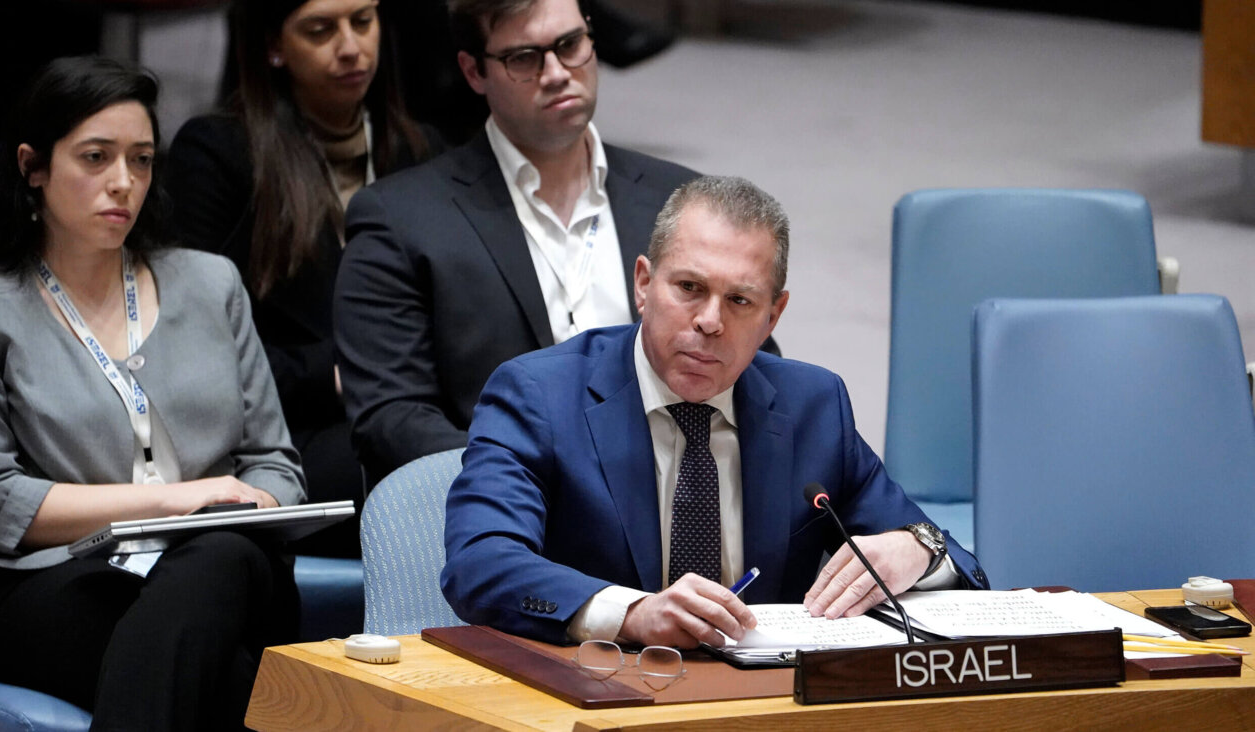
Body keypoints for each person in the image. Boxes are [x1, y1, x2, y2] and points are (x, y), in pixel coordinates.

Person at [440, 176, 989, 647]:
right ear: (643, 283)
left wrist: (917, 548)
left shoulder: (813, 407)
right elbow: (480, 563)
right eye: (689, 287)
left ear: (773, 316)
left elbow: (961, 565)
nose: (709, 321)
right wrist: (633, 614)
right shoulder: (539, 395)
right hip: (597, 690)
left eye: (740, 301)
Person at [0, 56, 304, 729]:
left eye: (141, 160)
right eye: (96, 157)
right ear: (33, 168)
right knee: (235, 682)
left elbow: (276, 464)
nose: (123, 182)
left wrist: (248, 503)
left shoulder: (210, 284)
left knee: (221, 556)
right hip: (59, 582)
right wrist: (177, 502)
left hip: (225, 566)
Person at [334, 0, 700, 481]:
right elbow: (392, 417)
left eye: (570, 45)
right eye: (524, 58)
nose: (555, 73)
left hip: (680, 504)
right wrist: (533, 482)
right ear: (473, 71)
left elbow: (752, 363)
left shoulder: (681, 199)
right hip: (510, 520)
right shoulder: (400, 220)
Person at [168, 0, 436, 557]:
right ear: (273, 45)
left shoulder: (420, 149)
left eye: (363, 22)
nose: (350, 47)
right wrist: (337, 375)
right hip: (283, 435)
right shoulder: (220, 154)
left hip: (410, 411)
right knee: (441, 478)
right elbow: (195, 355)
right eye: (320, 30)